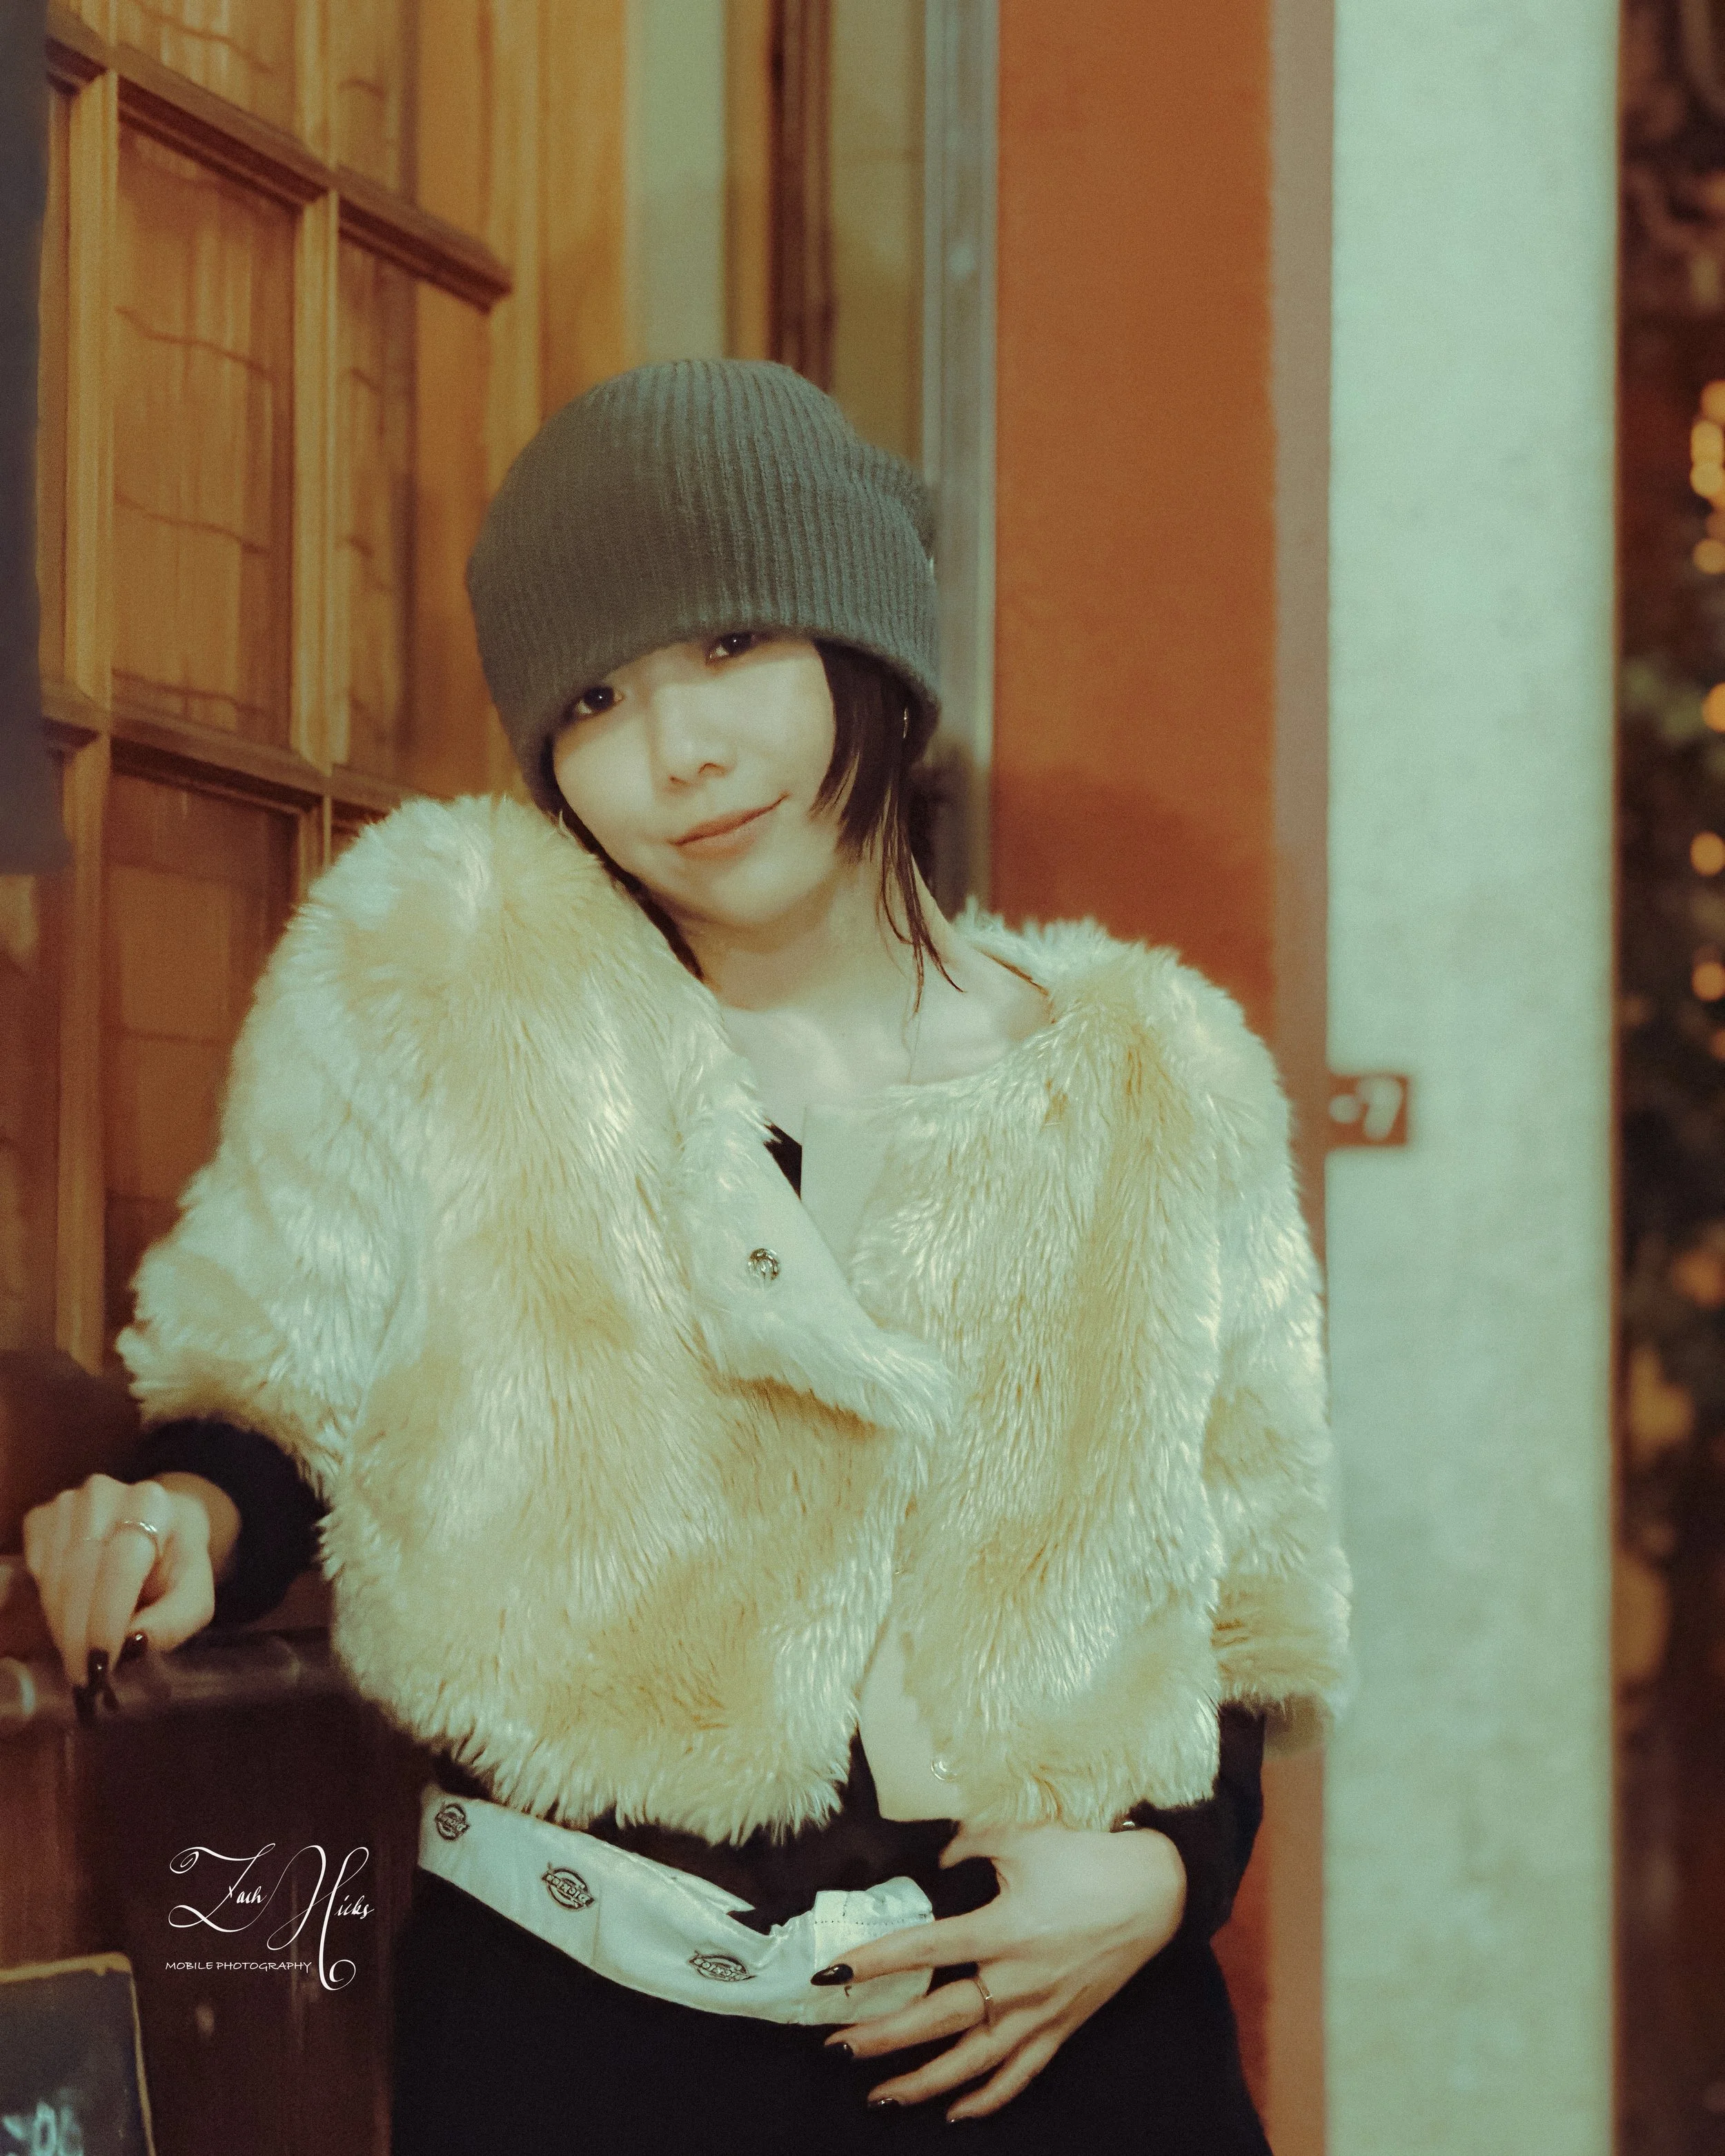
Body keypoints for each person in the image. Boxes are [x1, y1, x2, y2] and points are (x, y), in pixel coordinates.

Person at [23, 359, 1352, 2153]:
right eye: (596, 697)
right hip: (586, 2049)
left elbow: (1250, 1599)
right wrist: (173, 1514)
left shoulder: (1157, 1067)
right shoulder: (454, 979)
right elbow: (273, 1381)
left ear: (858, 643)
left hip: (1060, 2060)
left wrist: (1159, 1882)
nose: (679, 754)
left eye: (730, 647)